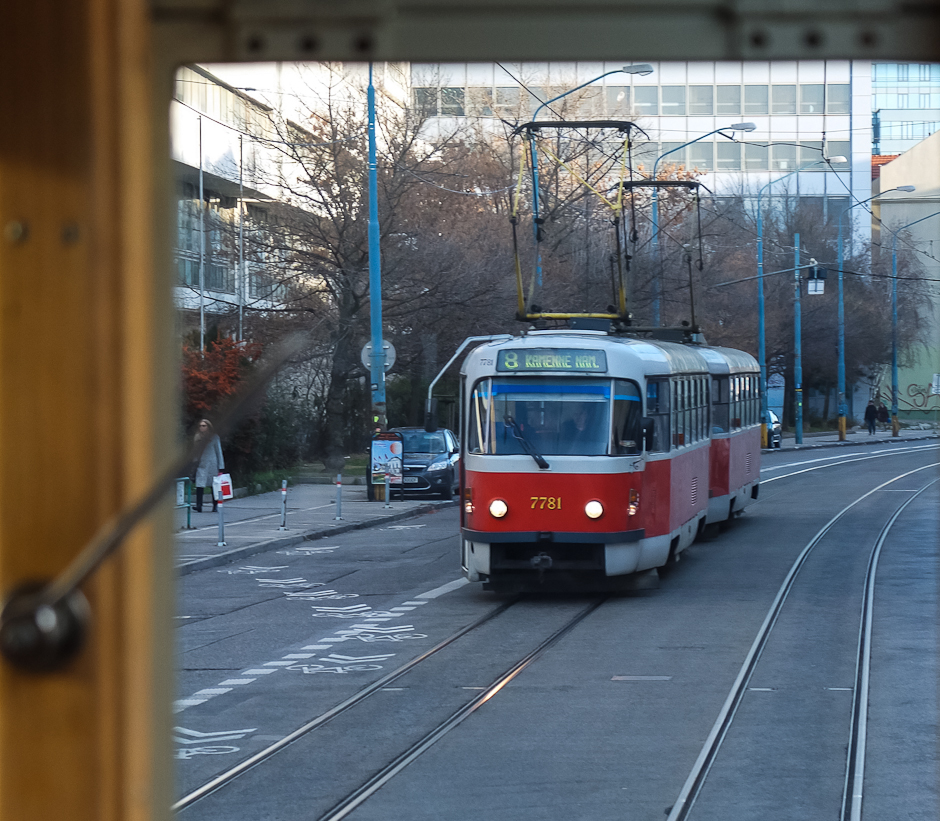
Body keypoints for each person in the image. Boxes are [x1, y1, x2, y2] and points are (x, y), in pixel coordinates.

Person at [192, 419, 224, 512]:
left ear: (208, 427)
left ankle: (215, 505)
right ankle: (199, 505)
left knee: (214, 485)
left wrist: (221, 466)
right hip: (201, 464)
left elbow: (219, 452)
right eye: (200, 426)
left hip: (212, 464)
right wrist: (194, 461)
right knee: (199, 484)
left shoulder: (214, 437)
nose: (202, 427)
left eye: (204, 426)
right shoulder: (197, 437)